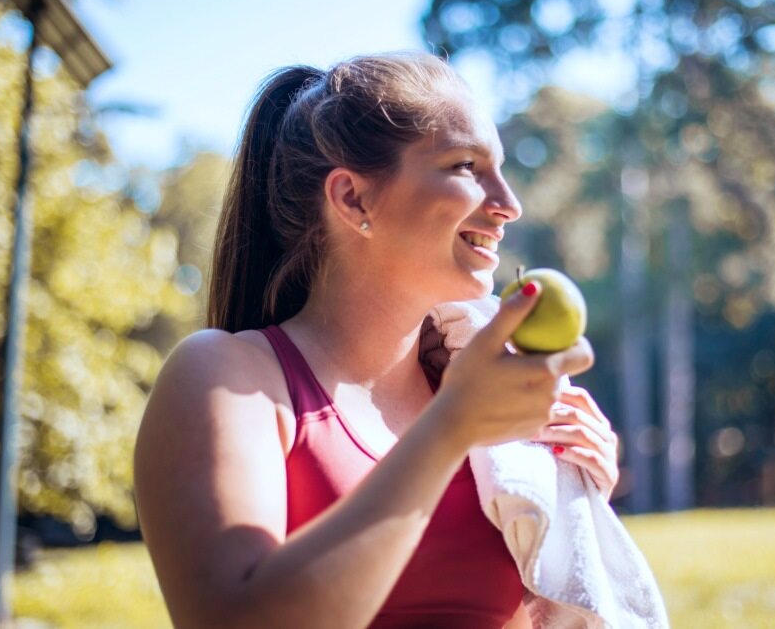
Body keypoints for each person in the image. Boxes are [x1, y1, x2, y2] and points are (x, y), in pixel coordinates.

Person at [133, 51, 620, 629]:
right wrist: (451, 428)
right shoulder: (225, 377)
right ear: (353, 199)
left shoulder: (485, 415)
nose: (509, 204)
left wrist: (573, 499)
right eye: (466, 166)